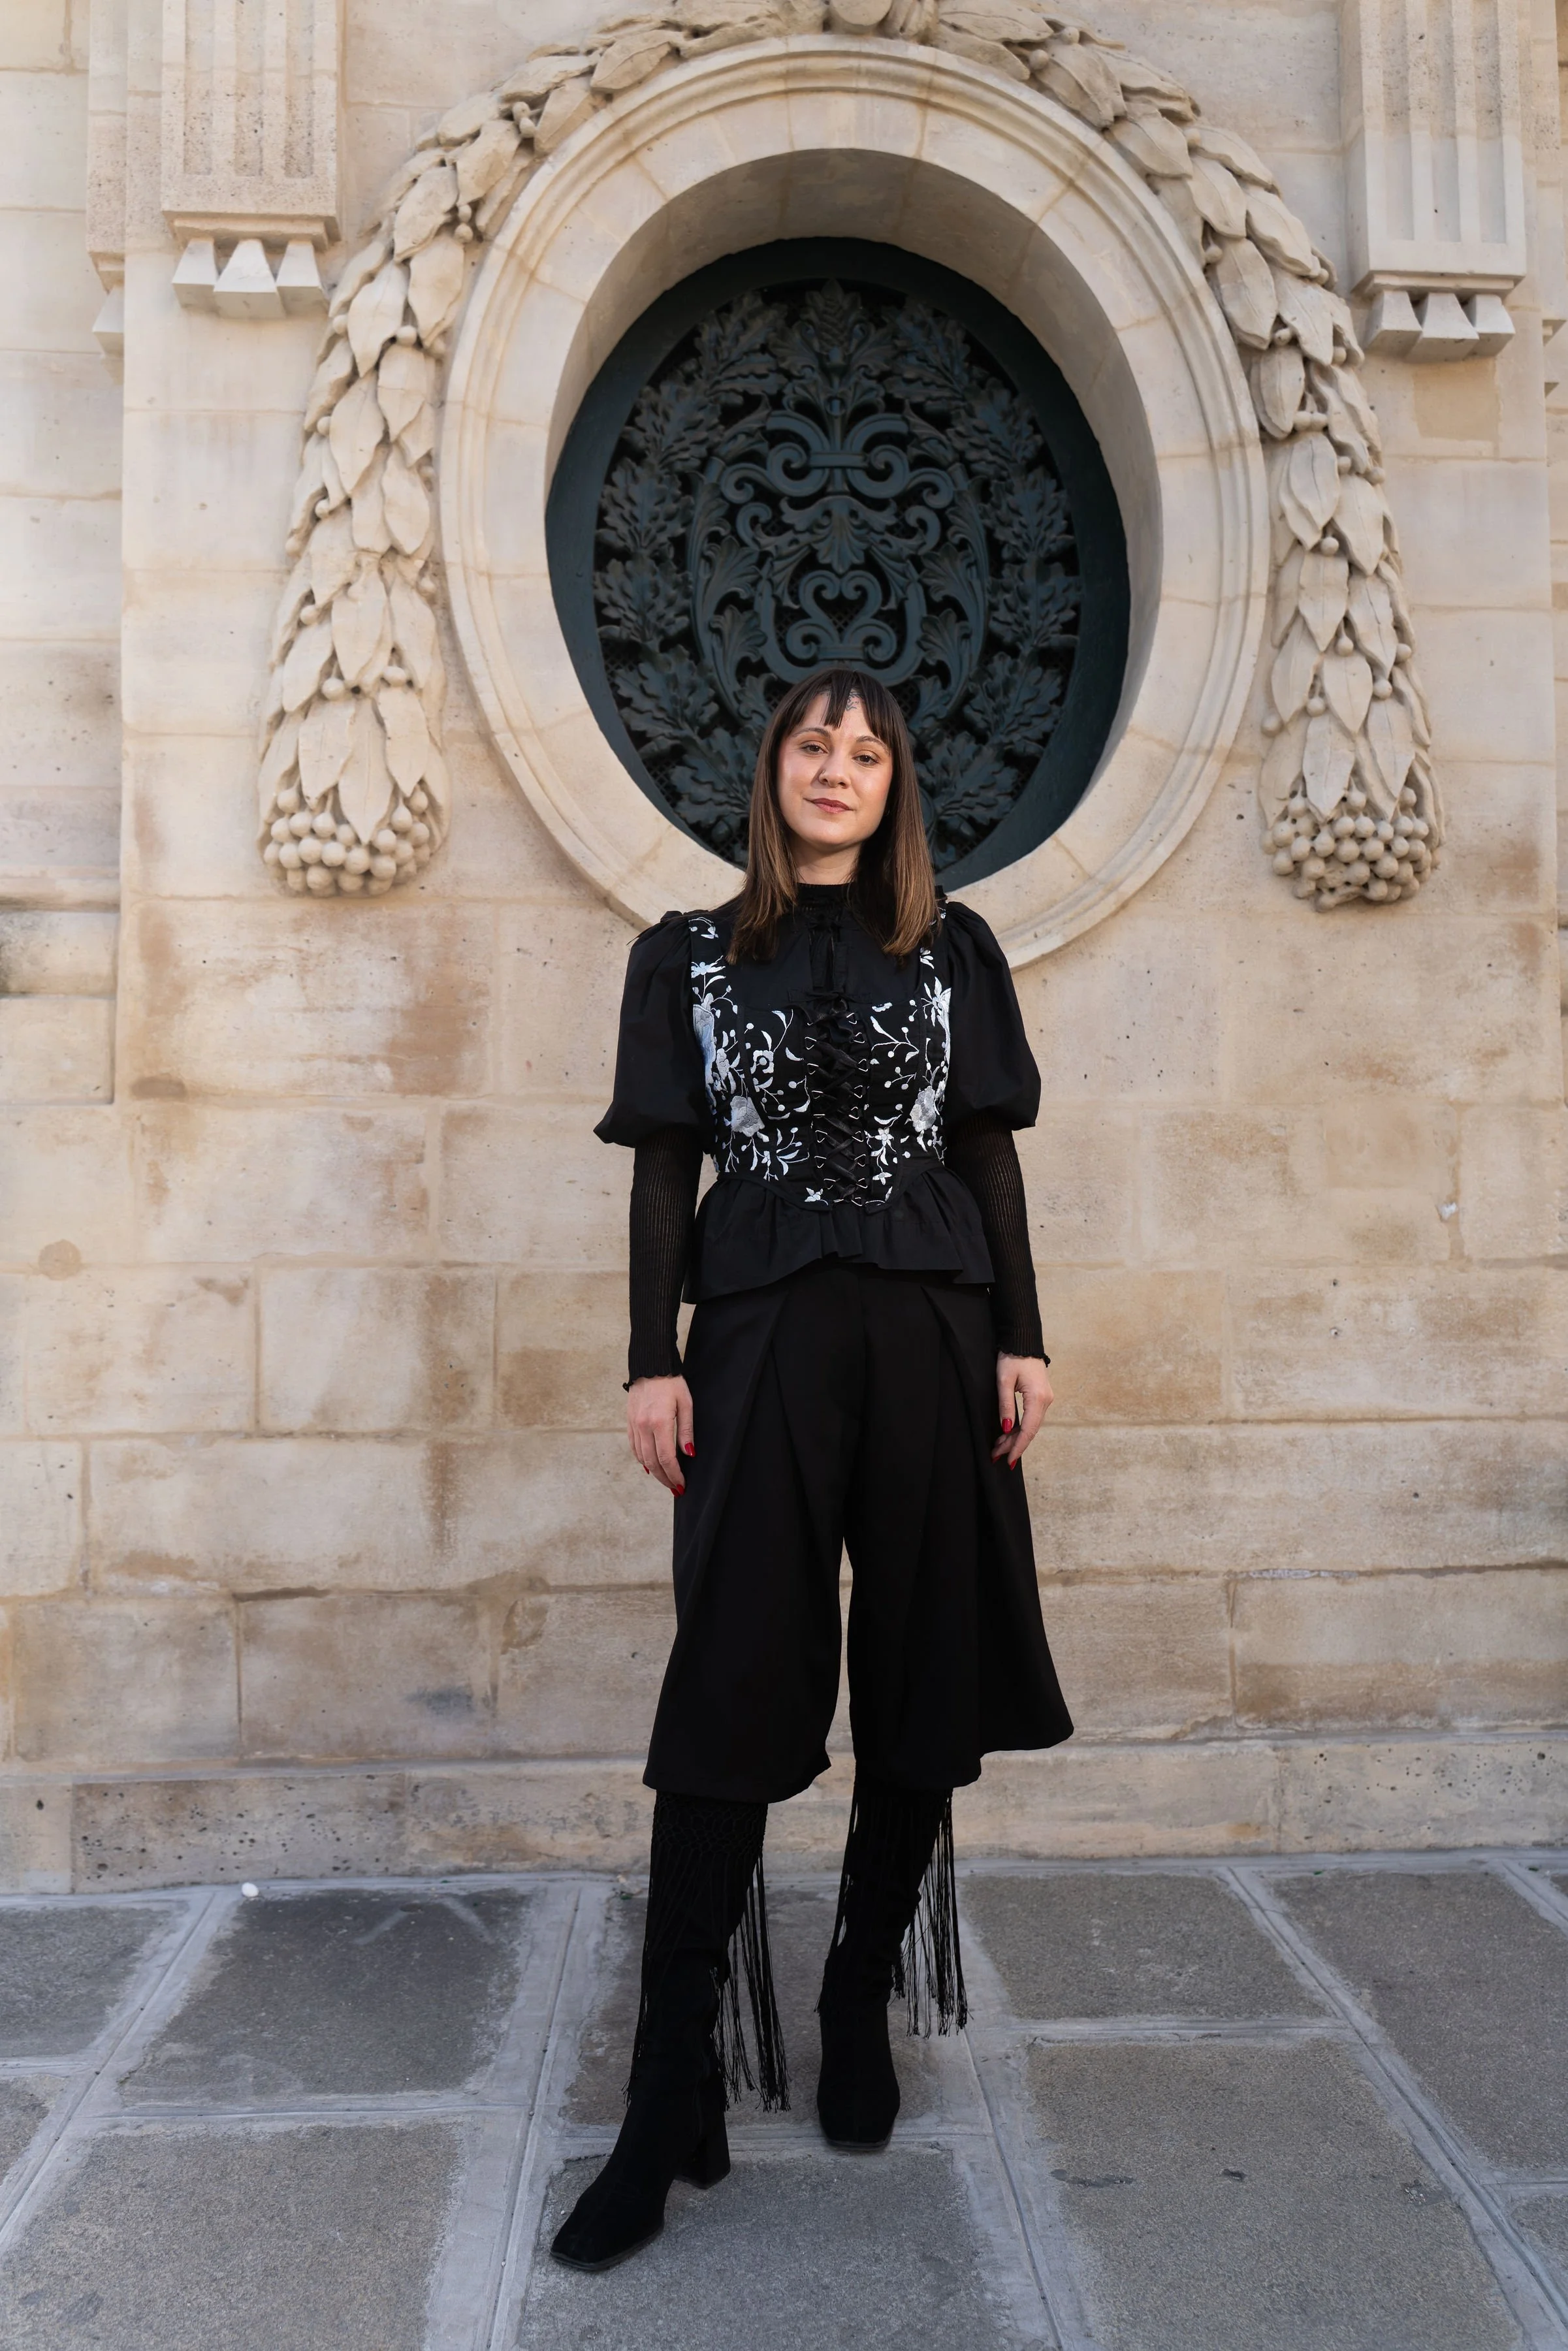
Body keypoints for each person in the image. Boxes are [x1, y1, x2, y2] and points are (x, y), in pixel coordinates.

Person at [552, 664, 1072, 2273]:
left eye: (866, 749)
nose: (837, 768)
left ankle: (857, 1993)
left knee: (921, 1664)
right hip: (760, 1342)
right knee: (732, 1685)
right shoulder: (689, 956)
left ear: (894, 778)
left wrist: (1025, 1337)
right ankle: (669, 2091)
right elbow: (663, 1169)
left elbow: (985, 1152)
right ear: (768, 766)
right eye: (811, 743)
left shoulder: (954, 947)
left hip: (932, 1330)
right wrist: (654, 1357)